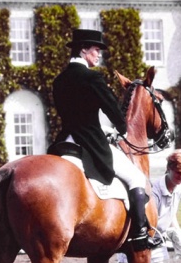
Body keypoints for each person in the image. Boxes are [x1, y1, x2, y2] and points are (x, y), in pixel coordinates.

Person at [52, 29, 161, 251]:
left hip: (65, 141)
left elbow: (75, 115)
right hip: (90, 142)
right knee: (136, 178)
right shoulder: (93, 78)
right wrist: (120, 127)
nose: (98, 54)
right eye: (95, 50)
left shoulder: (59, 80)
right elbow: (114, 111)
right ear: (83, 50)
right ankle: (140, 235)